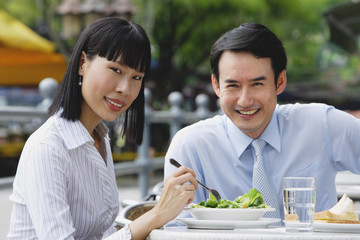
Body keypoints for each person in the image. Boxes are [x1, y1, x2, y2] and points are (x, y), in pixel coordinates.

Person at [7, 17, 197, 240]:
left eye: (137, 77)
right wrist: (156, 215)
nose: (125, 89)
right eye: (115, 70)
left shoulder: (99, 137)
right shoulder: (48, 147)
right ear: (82, 64)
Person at [164, 22, 360, 221]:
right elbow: (177, 230)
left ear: (280, 82)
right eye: (233, 85)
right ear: (216, 85)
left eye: (257, 84)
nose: (245, 100)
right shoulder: (191, 146)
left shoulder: (322, 125)